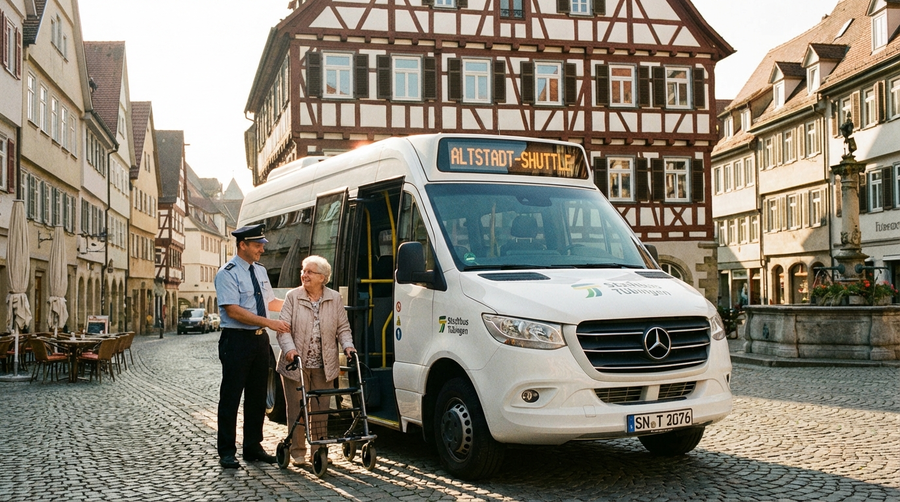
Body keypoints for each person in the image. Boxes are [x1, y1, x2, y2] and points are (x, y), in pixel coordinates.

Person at [215, 224, 290, 469]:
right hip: (236, 340)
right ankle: (227, 451)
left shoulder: (260, 270)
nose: (262, 249)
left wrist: (299, 302)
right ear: (242, 245)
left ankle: (252, 446)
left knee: (257, 397)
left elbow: (270, 302)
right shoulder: (227, 273)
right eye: (257, 245)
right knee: (231, 397)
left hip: (259, 340)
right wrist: (269, 322)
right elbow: (233, 311)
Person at [275, 255, 356, 467]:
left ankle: (318, 450)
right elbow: (283, 329)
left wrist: (348, 346)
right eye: (303, 271)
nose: (304, 275)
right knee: (297, 409)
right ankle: (297, 451)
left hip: (324, 364)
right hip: (296, 364)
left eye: (310, 272)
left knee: (321, 410)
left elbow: (343, 328)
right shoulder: (293, 296)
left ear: (323, 277)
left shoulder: (334, 298)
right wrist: (290, 350)